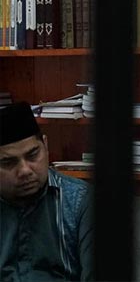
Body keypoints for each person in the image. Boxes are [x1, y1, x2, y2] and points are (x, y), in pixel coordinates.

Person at [0, 101, 93, 280]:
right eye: (9, 162)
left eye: (33, 155)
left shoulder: (80, 202)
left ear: (46, 145)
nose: (25, 170)